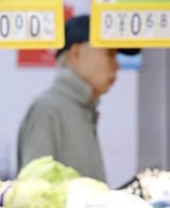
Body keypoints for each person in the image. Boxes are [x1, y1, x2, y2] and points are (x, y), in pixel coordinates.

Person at [16, 15, 139, 182]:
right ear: (76, 53)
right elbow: (33, 196)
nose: (117, 65)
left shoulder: (82, 106)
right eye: (109, 53)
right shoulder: (48, 110)